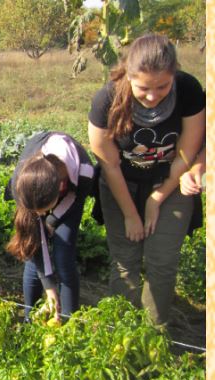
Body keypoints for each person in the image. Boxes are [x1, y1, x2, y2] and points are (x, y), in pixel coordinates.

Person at [88, 33, 206, 326]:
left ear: (174, 73)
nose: (153, 96)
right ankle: (121, 333)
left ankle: (154, 336)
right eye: (143, 88)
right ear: (128, 75)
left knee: (161, 262)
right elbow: (110, 164)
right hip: (121, 185)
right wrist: (130, 215)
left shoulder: (189, 90)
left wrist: (157, 197)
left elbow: (187, 152)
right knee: (125, 262)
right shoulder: (107, 100)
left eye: (162, 86)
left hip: (172, 181)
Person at [5, 132, 94, 320]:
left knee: (64, 257)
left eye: (43, 211)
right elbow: (35, 239)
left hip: (71, 200)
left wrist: (52, 220)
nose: (40, 216)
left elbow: (74, 198)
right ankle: (31, 318)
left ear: (59, 190)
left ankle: (69, 323)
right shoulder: (22, 181)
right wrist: (50, 288)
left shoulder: (84, 172)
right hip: (37, 194)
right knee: (33, 252)